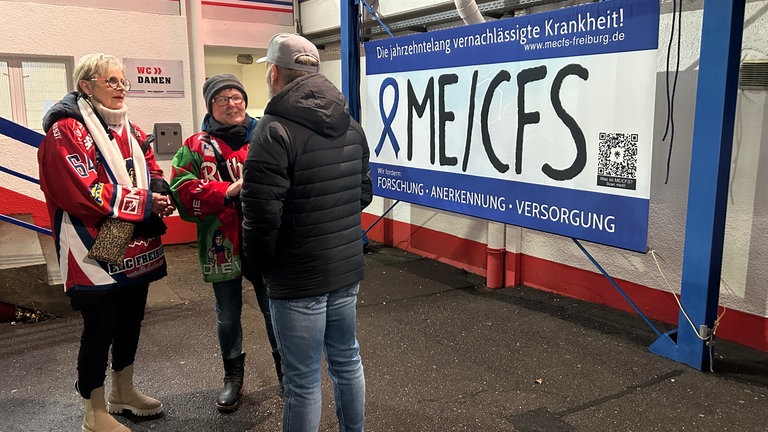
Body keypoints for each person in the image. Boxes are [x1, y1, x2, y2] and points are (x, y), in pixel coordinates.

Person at [241, 33, 372, 432]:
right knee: (346, 359)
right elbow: (362, 194)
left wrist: (257, 267)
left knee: (302, 379)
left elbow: (261, 214)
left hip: (296, 276)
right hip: (345, 267)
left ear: (275, 73)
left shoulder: (273, 129)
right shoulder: (351, 124)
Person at [38, 53, 175, 432]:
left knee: (131, 316)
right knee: (100, 323)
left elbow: (149, 164)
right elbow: (83, 190)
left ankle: (123, 392)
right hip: (92, 235)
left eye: (122, 81)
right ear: (86, 85)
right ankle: (94, 411)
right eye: (110, 81)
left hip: (130, 231)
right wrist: (146, 202)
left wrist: (159, 189)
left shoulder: (127, 126)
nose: (120, 88)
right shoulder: (65, 129)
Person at [169, 74, 282, 412]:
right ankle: (232, 377)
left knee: (273, 310)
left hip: (264, 238)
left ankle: (287, 373)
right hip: (220, 240)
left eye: (237, 97)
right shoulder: (193, 146)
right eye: (223, 99)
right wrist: (226, 190)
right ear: (210, 105)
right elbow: (181, 188)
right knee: (228, 314)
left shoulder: (268, 134)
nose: (232, 104)